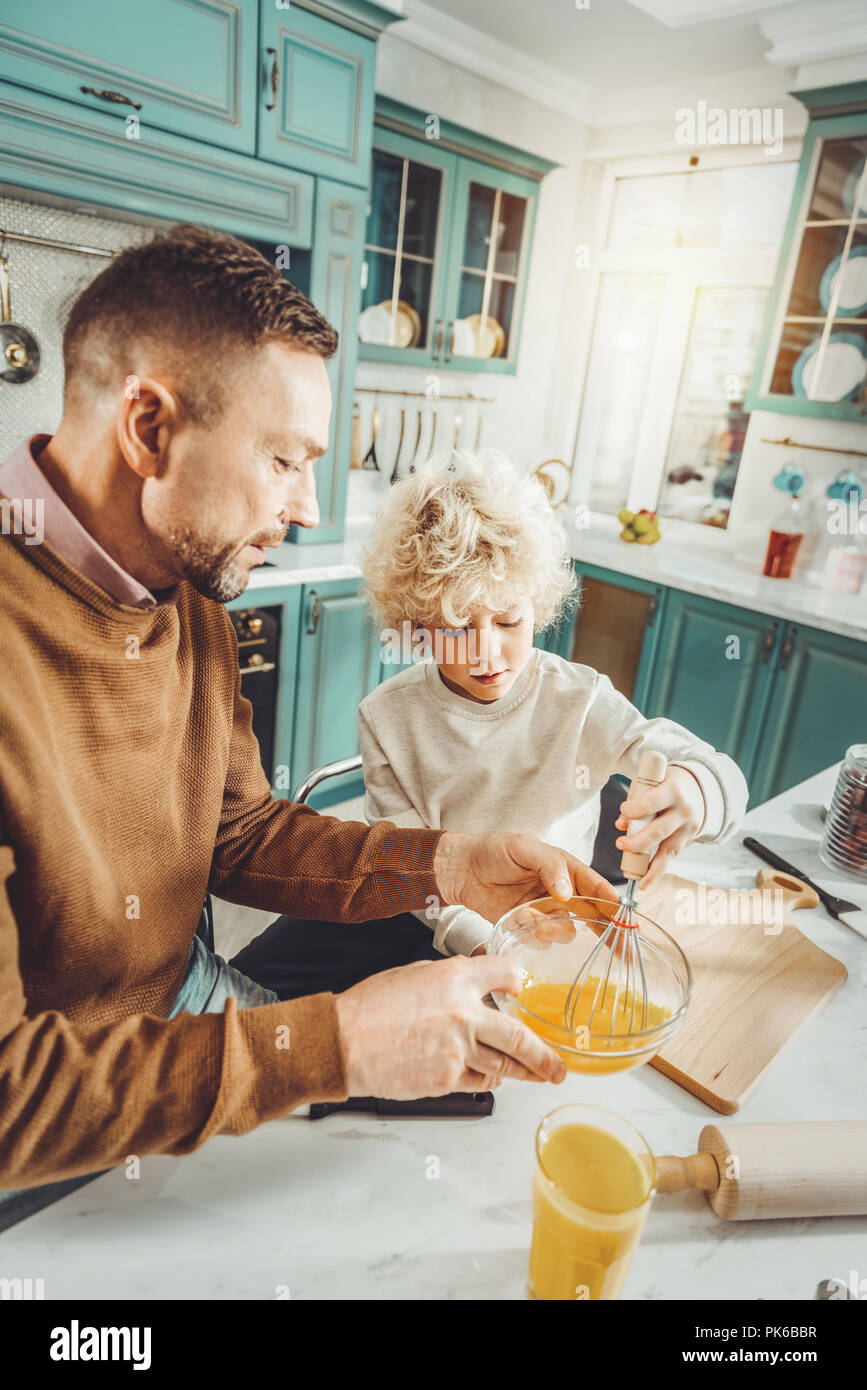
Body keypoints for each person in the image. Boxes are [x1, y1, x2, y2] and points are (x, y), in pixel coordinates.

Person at [0, 225, 615, 1219]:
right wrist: (337, 1044)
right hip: (54, 1111)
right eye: (285, 459)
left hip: (188, 1000)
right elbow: (10, 1099)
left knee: (423, 1158)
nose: (307, 502)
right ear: (149, 427)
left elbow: (239, 831)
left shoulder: (187, 580)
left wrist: (450, 861)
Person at [354, 450, 749, 958]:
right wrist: (487, 944)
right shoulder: (386, 717)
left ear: (536, 607)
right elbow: (407, 868)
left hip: (554, 929)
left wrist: (698, 790)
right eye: (456, 628)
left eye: (508, 621)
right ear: (416, 624)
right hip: (429, 923)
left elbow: (724, 778)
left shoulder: (580, 700)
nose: (487, 652)